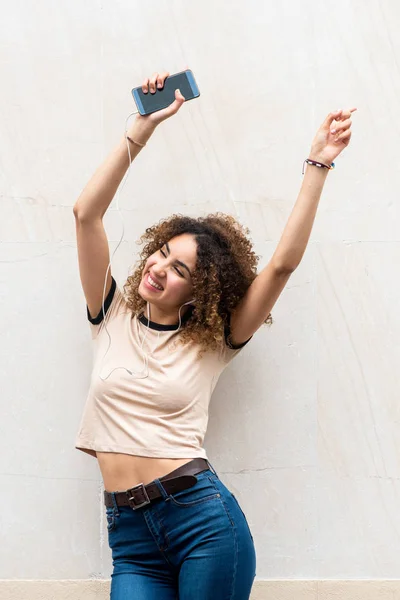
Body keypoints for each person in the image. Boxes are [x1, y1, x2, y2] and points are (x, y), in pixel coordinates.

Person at [73, 69, 355, 599]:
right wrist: (141, 128)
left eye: (180, 269)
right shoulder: (108, 315)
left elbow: (280, 268)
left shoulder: (214, 340)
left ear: (199, 291)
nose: (160, 268)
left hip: (201, 523)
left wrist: (318, 164)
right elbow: (86, 215)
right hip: (129, 539)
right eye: (161, 253)